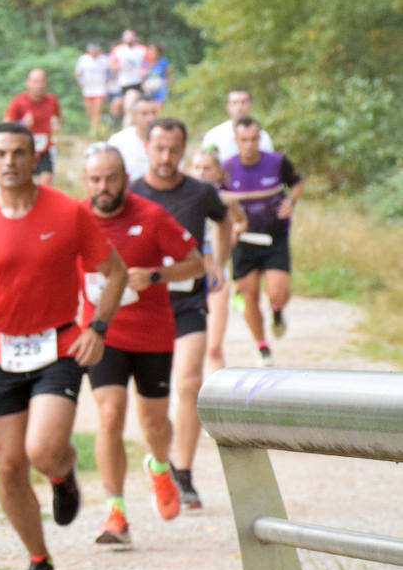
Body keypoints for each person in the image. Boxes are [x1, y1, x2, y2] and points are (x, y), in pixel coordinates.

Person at [0, 122, 125, 570]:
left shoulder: (67, 212)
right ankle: (39, 560)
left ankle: (62, 473)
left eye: (18, 152)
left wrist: (98, 327)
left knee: (41, 450)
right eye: (0, 154)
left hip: (58, 346)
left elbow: (115, 271)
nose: (9, 162)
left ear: (34, 158)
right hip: (0, 350)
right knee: (8, 466)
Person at [79, 144, 203, 547]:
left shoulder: (149, 215)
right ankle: (115, 512)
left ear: (124, 178)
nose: (104, 187)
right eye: (95, 179)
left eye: (111, 178)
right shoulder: (75, 219)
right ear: (85, 182)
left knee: (154, 423)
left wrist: (155, 274)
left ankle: (160, 466)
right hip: (102, 334)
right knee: (110, 414)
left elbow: (196, 263)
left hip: (151, 333)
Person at [130, 118, 232, 510]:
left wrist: (218, 262)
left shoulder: (201, 192)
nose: (166, 157)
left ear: (184, 150)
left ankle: (184, 473)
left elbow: (223, 220)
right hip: (145, 304)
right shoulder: (134, 191)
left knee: (189, 381)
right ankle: (160, 460)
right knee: (150, 397)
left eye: (174, 149)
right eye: (159, 148)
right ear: (147, 148)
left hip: (187, 299)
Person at [222, 117, 304, 366]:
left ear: (260, 139)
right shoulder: (226, 168)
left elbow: (297, 183)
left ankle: (277, 311)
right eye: (244, 140)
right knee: (249, 295)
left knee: (277, 292)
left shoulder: (277, 162)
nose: (249, 144)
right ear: (236, 141)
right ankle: (262, 347)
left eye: (254, 139)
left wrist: (290, 202)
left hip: (273, 236)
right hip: (244, 240)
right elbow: (218, 202)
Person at [189, 148, 246, 373]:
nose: (201, 173)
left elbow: (240, 222)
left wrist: (232, 235)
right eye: (197, 167)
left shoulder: (226, 200)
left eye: (207, 168)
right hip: (187, 275)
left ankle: (214, 400)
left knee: (213, 347)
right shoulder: (181, 199)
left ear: (218, 172)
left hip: (216, 274)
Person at [3, 68, 63, 185]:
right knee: (24, 184)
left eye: (42, 81)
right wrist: (21, 123)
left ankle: (43, 203)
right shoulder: (18, 101)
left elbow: (58, 118)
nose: (39, 85)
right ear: (28, 83)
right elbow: (5, 125)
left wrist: (56, 123)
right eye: (35, 82)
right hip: (24, 149)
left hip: (44, 148)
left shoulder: (51, 100)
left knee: (46, 181)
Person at [201, 88, 273, 162]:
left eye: (244, 102)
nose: (240, 107)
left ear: (250, 105)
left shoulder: (263, 136)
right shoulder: (213, 136)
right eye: (235, 102)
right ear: (228, 106)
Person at [107, 95, 159, 185]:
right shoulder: (118, 141)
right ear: (134, 115)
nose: (151, 118)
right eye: (145, 114)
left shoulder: (165, 142)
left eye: (153, 113)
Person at [109, 29, 149, 123]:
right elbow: (111, 64)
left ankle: (126, 130)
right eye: (127, 37)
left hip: (135, 83)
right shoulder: (118, 50)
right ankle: (115, 125)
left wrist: (144, 73)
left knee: (129, 107)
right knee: (115, 105)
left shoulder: (142, 49)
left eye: (131, 37)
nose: (129, 39)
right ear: (123, 38)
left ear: (135, 37)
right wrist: (118, 66)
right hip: (121, 83)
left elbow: (149, 64)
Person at [74, 42, 109, 137]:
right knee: (89, 110)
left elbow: (110, 71)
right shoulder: (84, 59)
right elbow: (77, 73)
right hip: (88, 89)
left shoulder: (104, 60)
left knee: (97, 109)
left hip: (99, 88)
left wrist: (108, 82)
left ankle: (94, 129)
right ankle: (98, 124)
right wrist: (80, 82)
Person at [142, 43, 172, 107]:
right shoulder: (145, 63)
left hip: (161, 89)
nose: (150, 52)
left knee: (159, 106)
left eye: (152, 50)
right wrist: (144, 87)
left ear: (158, 52)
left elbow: (170, 76)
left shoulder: (164, 62)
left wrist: (166, 85)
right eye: (149, 50)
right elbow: (142, 78)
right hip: (149, 89)